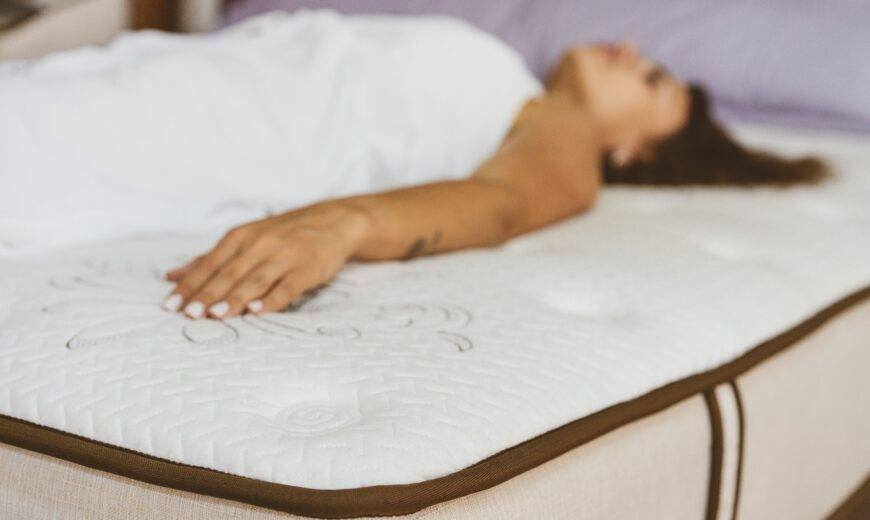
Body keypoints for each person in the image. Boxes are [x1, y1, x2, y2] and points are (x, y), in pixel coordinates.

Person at [163, 35, 827, 320]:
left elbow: (503, 203)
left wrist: (345, 224)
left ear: (631, 151)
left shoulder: (568, 130)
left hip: (171, 130)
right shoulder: (520, 84)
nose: (629, 50)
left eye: (649, 79)